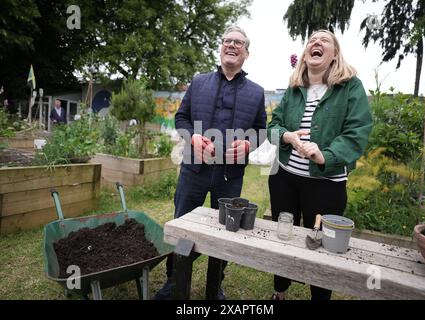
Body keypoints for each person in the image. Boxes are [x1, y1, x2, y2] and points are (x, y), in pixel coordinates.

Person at [154, 26, 267, 300]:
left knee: (226, 231)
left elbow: (261, 129)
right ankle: (173, 282)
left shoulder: (256, 92)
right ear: (220, 48)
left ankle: (215, 285)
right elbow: (181, 118)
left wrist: (249, 143)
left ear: (246, 53)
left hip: (230, 175)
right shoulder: (199, 82)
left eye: (238, 42)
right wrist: (192, 137)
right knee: (183, 224)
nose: (231, 45)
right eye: (226, 40)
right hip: (194, 169)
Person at [267, 29, 373, 300]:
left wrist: (325, 155)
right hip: (284, 179)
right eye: (311, 40)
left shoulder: (350, 87)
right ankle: (279, 291)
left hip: (326, 185)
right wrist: (287, 136)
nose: (316, 42)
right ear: (305, 54)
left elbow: (357, 131)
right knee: (284, 235)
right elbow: (273, 126)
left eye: (324, 40)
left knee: (322, 246)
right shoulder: (294, 89)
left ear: (334, 54)